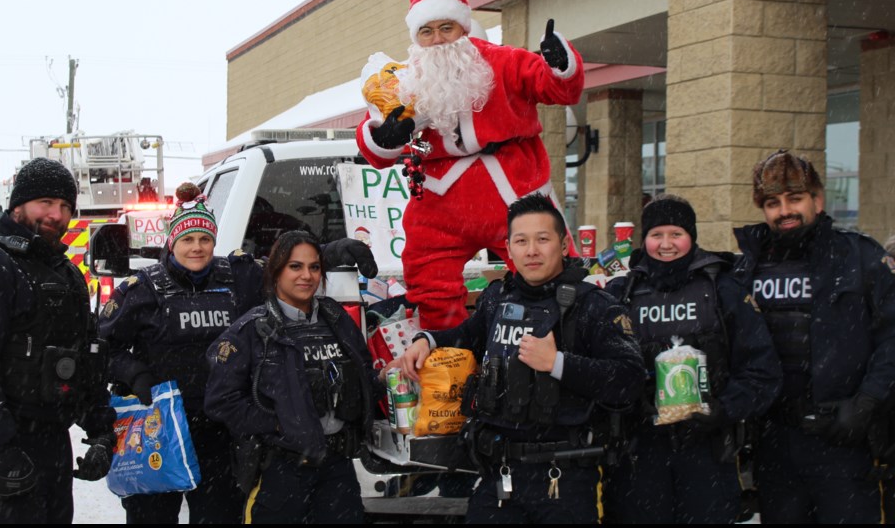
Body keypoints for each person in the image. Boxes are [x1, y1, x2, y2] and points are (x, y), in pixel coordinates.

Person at [99, 183, 377, 524]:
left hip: (220, 430)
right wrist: (134, 374)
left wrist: (334, 251)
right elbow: (100, 348)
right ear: (172, 242)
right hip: (161, 430)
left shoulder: (239, 276)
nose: (197, 248)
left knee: (219, 516)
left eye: (204, 239)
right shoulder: (143, 290)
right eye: (187, 240)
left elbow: (289, 263)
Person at [356, 0, 585, 330]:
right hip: (440, 198)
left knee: (553, 272)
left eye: (446, 28)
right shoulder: (403, 81)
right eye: (426, 31)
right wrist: (385, 136)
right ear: (416, 37)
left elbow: (556, 89)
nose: (437, 40)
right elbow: (376, 151)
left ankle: (556, 339)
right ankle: (448, 352)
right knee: (429, 280)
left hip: (513, 190)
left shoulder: (504, 61)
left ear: (463, 28)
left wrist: (559, 66)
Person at [398, 193, 645, 524]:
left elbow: (629, 379)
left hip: (563, 480)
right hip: (498, 476)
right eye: (521, 240)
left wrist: (557, 363)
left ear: (562, 243)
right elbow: (467, 337)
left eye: (543, 239)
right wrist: (425, 341)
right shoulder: (498, 298)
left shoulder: (593, 306)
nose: (532, 250)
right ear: (508, 247)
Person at [0, 157, 116, 523]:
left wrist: (101, 431)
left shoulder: (66, 274)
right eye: (45, 203)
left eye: (65, 206)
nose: (57, 215)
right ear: (18, 205)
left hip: (50, 432)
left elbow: (86, 358)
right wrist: (0, 449)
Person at [733, 149, 895, 524]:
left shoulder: (860, 257)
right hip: (775, 441)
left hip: (844, 438)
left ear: (817, 200)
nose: (784, 210)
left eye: (795, 198)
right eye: (773, 203)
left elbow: (891, 338)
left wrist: (867, 403)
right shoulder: (749, 266)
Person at [601, 194, 782, 524]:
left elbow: (762, 370)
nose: (666, 244)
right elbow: (599, 365)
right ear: (645, 240)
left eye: (676, 234)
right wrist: (630, 399)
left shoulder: (722, 289)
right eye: (657, 235)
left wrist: (723, 408)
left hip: (708, 451)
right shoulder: (621, 293)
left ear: (692, 237)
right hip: (639, 452)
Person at [204, 230, 383, 524]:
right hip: (280, 470)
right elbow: (220, 400)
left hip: (337, 467)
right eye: (295, 267)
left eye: (314, 267)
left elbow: (362, 374)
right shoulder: (252, 330)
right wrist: (276, 423)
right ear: (276, 271)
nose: (307, 276)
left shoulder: (336, 318)